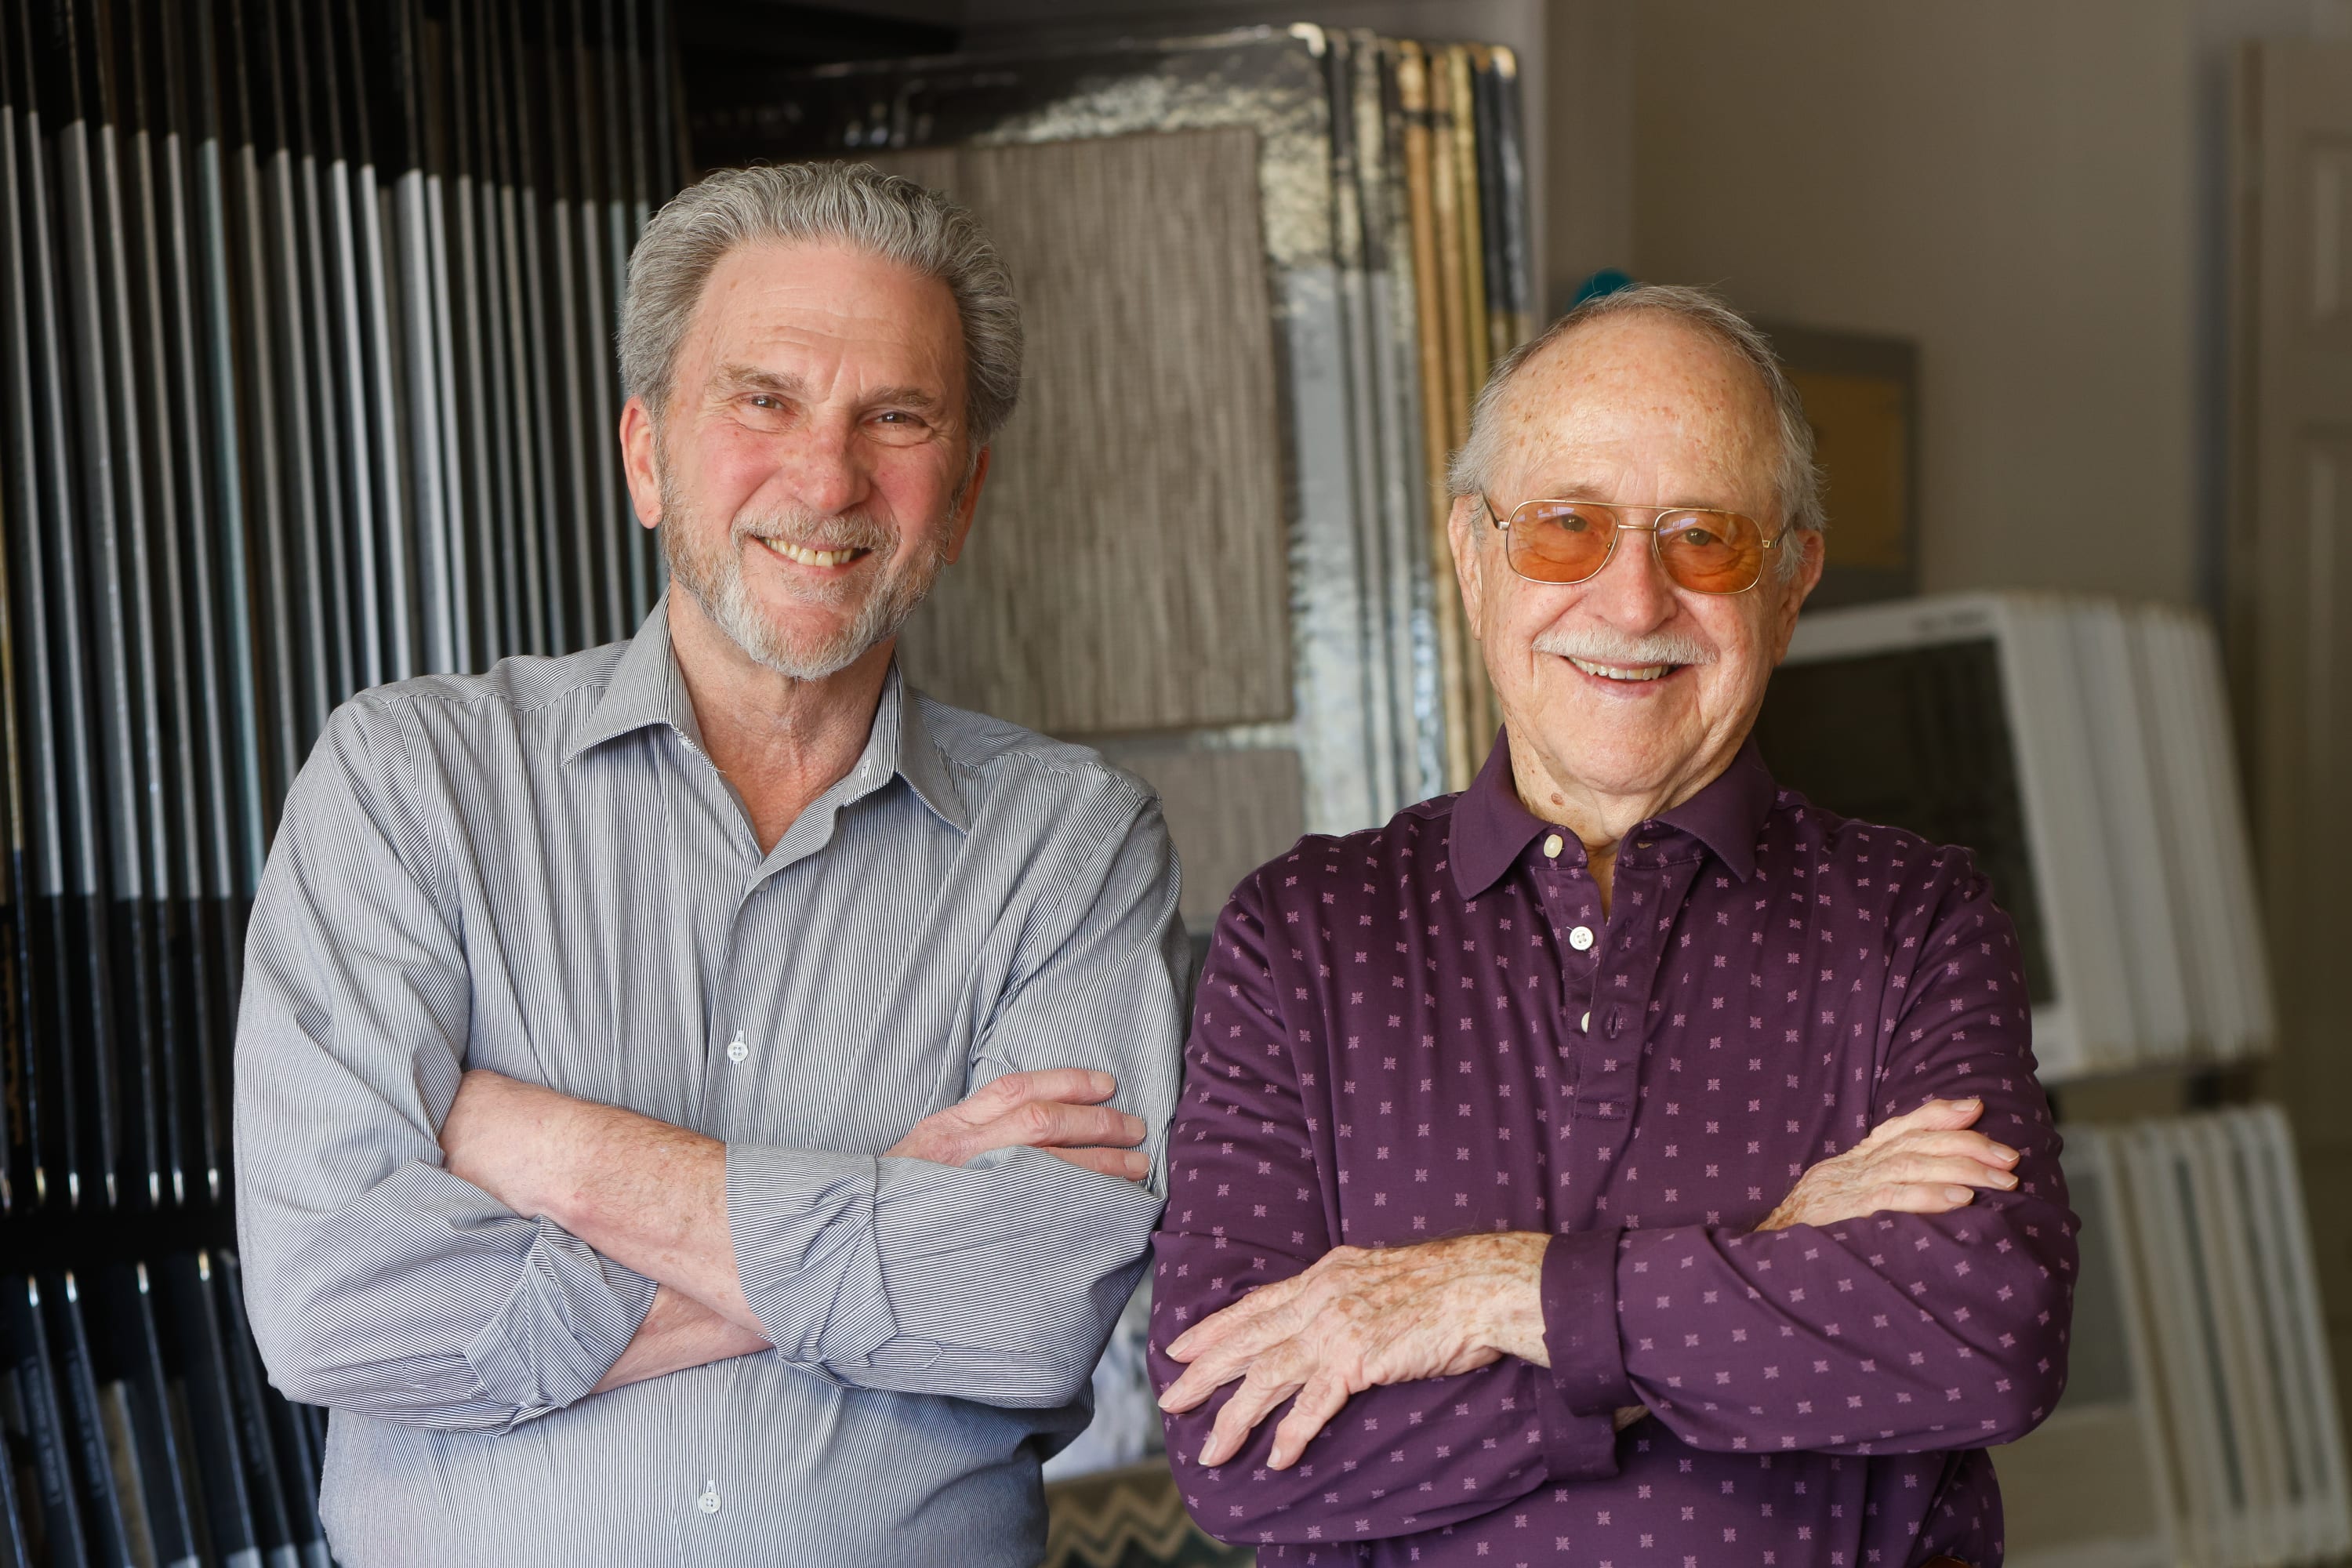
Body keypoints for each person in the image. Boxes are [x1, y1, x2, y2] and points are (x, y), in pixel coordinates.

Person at [234, 162, 1186, 1566]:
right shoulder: (409, 784)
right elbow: (333, 1299)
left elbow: (1029, 1307)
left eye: (897, 416)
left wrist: (547, 1148)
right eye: (764, 399)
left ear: (963, 493)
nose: (827, 475)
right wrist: (881, 1208)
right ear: (645, 454)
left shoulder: (1071, 846)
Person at [1149, 284, 2075, 1566]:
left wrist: (1485, 1294)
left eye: (1704, 538)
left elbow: (1987, 1341)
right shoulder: (1303, 936)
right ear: (1474, 555)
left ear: (1793, 579)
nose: (1633, 602)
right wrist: (1774, 1249)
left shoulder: (1915, 920)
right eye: (1567, 527)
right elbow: (1239, 1458)